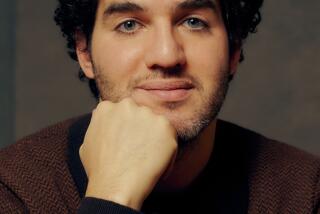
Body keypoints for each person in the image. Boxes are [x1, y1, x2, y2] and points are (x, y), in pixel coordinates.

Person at [0, 0, 319, 213]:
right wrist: (111, 198)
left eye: (193, 22)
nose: (166, 56)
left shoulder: (305, 193)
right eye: (129, 25)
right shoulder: (16, 189)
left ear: (233, 50)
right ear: (85, 52)